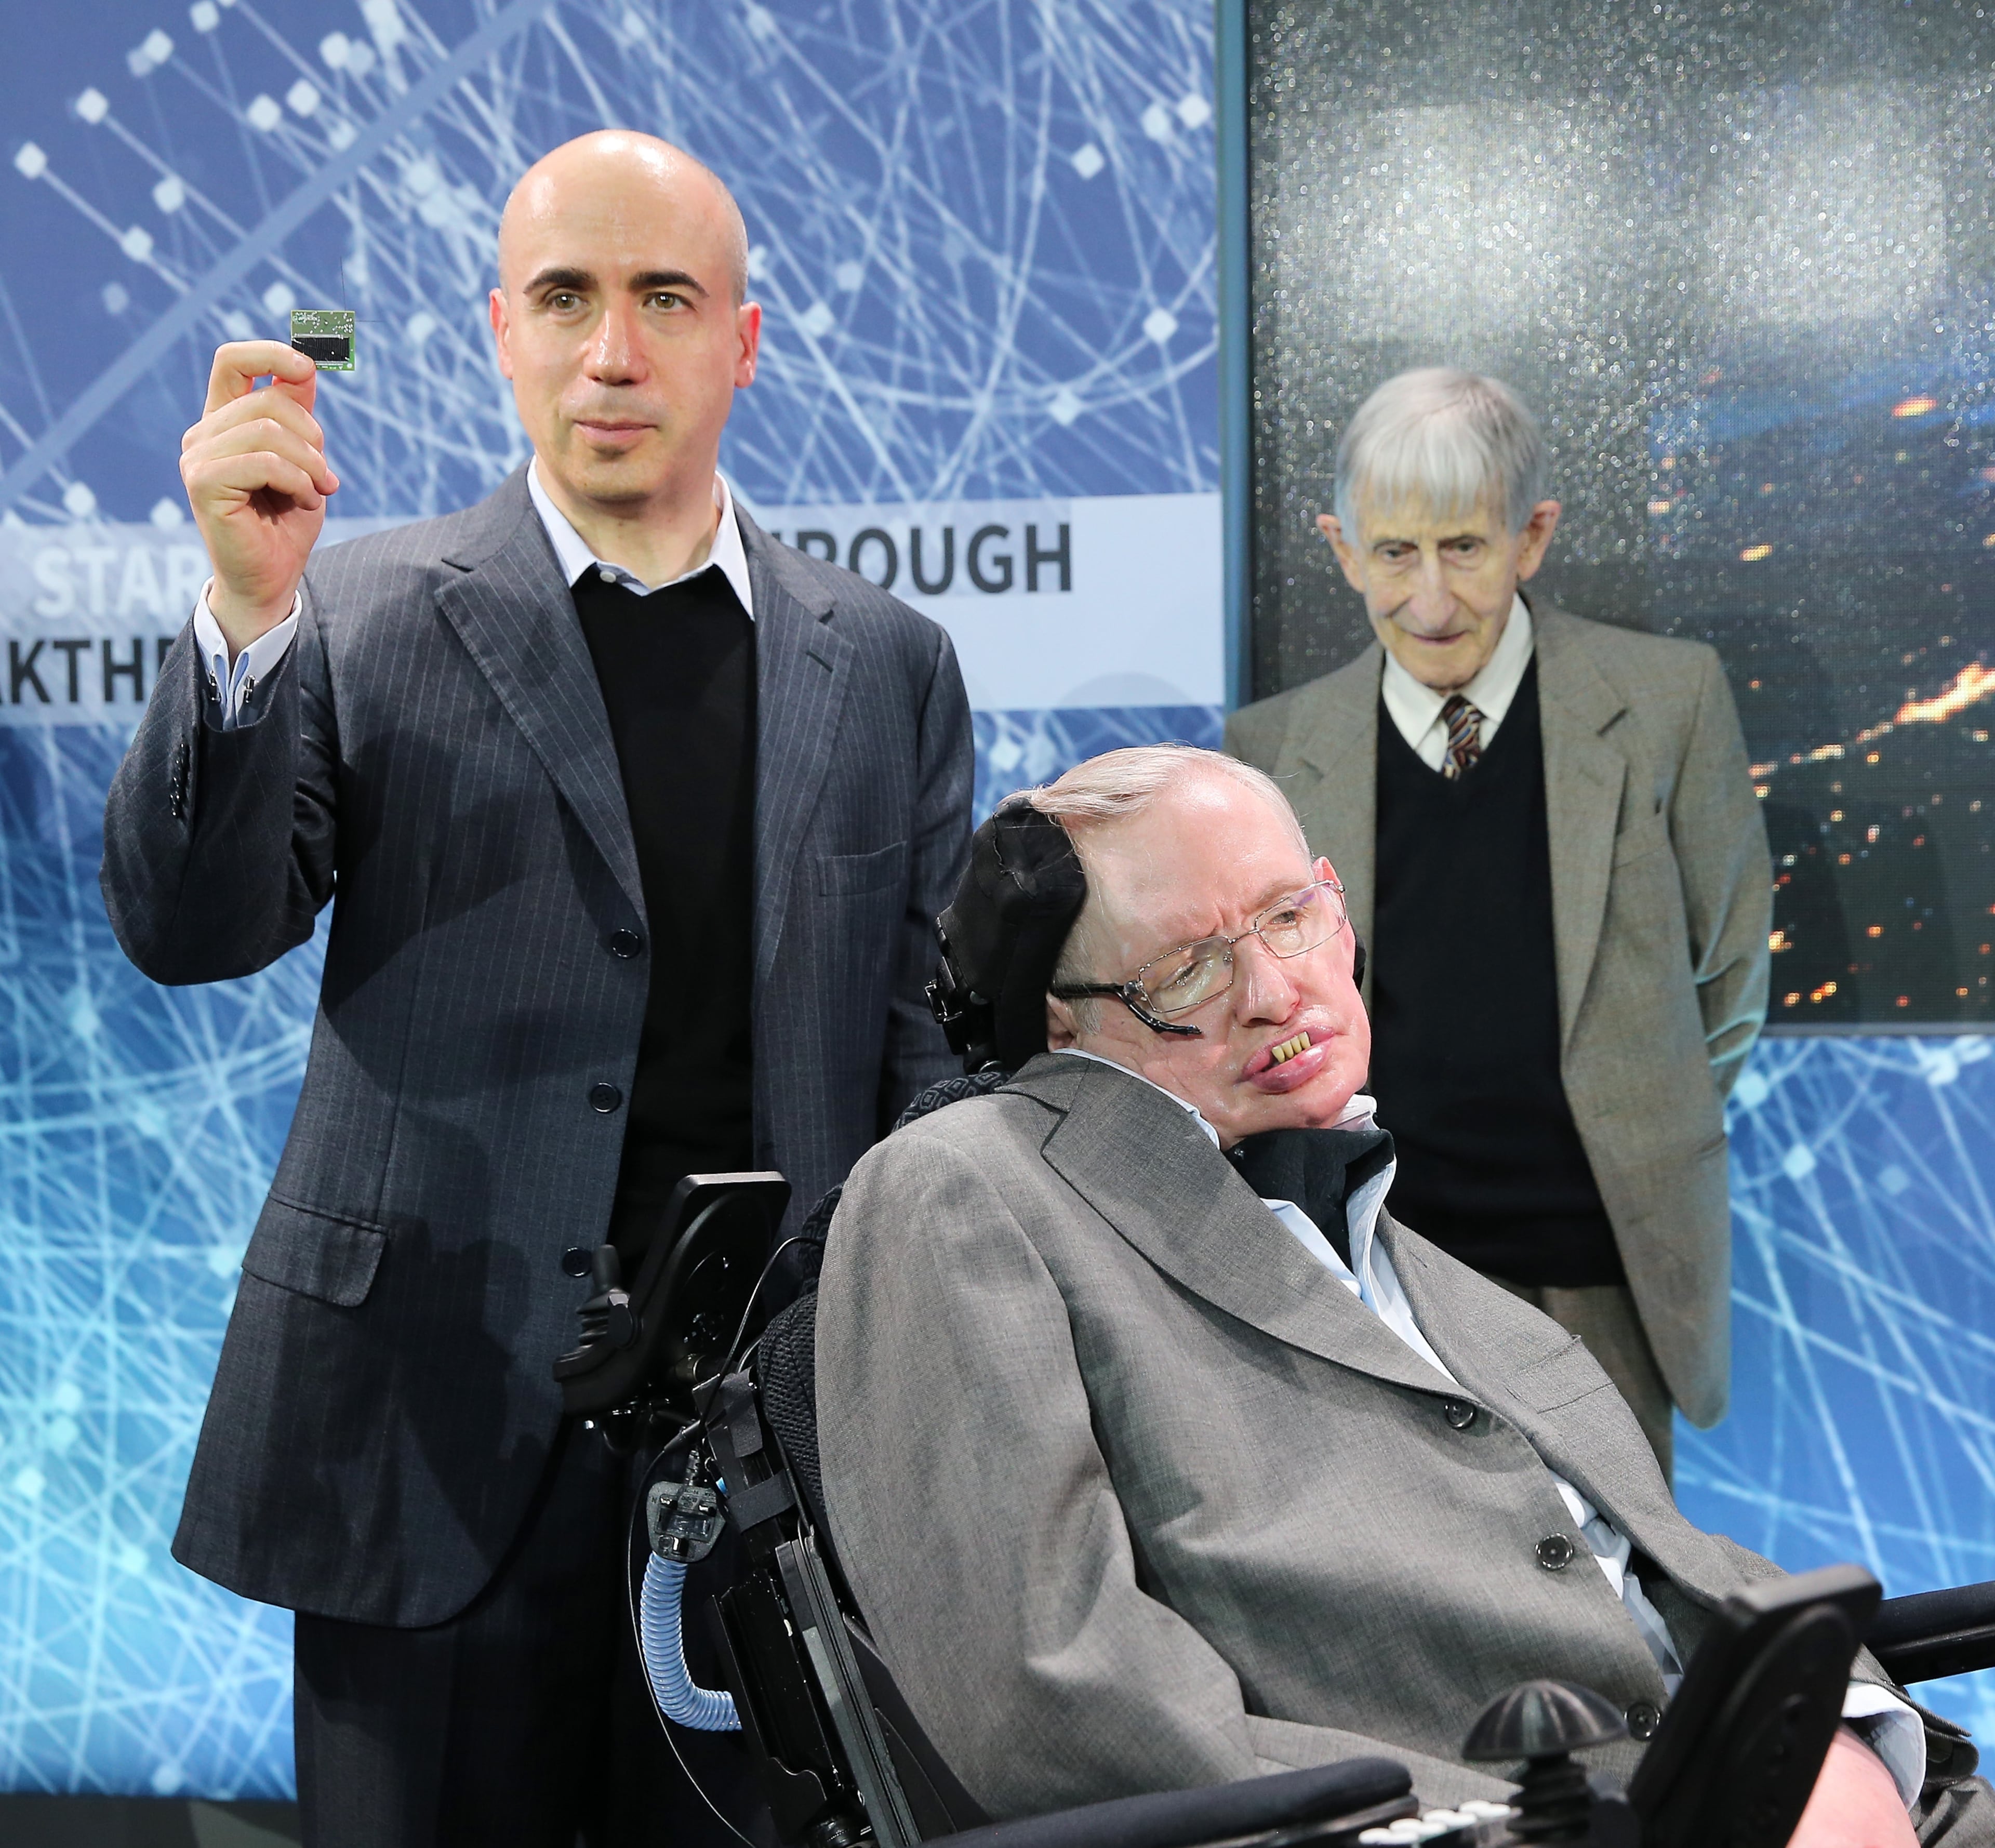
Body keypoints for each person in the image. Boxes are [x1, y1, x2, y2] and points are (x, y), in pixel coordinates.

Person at [100, 131, 972, 1848]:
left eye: (664, 298)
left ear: (748, 335)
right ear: (500, 327)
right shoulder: (347, 614)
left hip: (759, 1468)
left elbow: (919, 1066)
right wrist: (243, 612)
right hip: (419, 1427)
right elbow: (190, 923)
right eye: (565, 298)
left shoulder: (885, 661)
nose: (612, 352)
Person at [818, 748, 1985, 1840]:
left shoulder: (1389, 1243)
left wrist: (1843, 1733)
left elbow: (1657, 1560)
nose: (1277, 993)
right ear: (1066, 1020)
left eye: (1289, 916)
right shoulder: (963, 1190)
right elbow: (1055, 1697)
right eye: (1187, 969)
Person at [1224, 369, 1772, 1477]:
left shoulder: (1669, 703)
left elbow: (1726, 982)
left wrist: (1629, 1104)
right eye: (1393, 554)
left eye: (1464, 549)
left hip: (1601, 1276)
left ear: (1532, 538)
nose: (1429, 601)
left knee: (1636, 1614)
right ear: (1342, 550)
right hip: (1379, 1274)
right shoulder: (1270, 750)